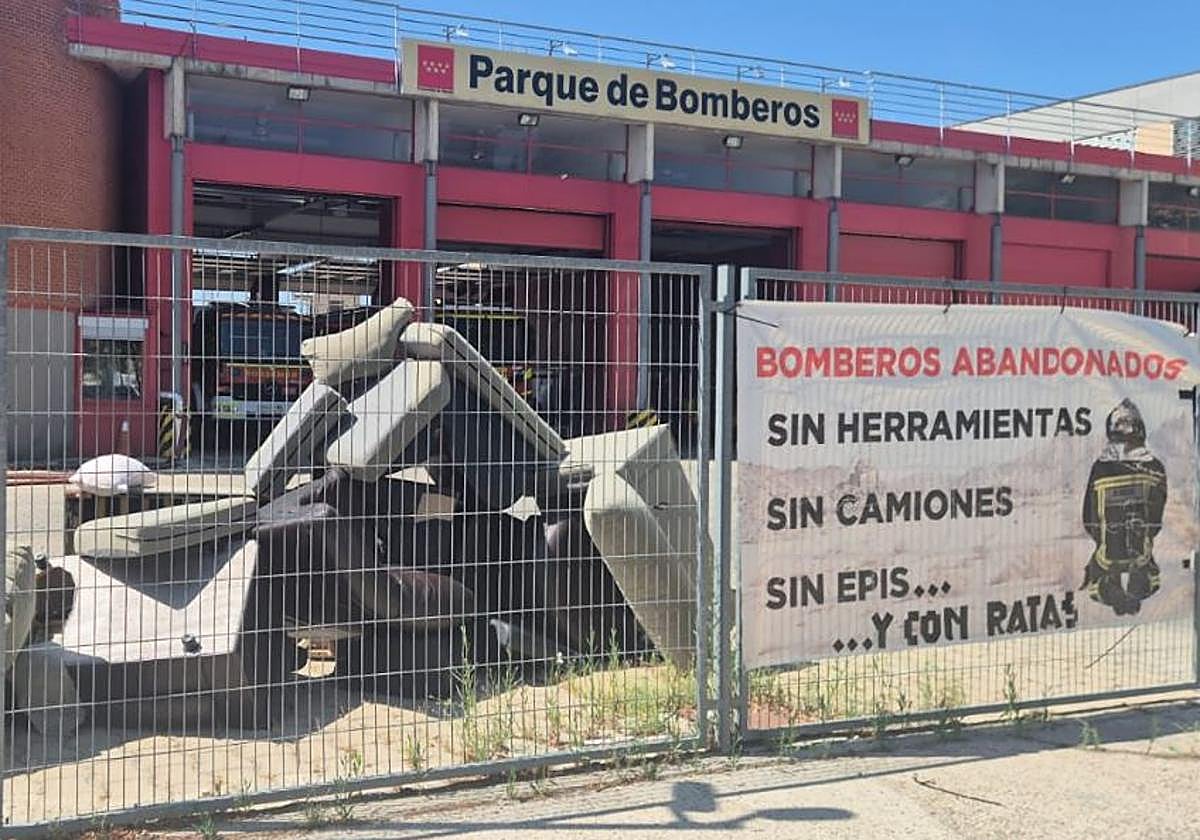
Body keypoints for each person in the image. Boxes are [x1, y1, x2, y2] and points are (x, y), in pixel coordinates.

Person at [1080, 399, 1167, 616]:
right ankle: (1140, 581)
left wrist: (1100, 538)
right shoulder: (1154, 465)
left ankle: (1108, 582)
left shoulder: (1099, 467)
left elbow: (1088, 516)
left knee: (1100, 565)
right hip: (1141, 551)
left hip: (1105, 553)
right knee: (1146, 563)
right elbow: (1157, 516)